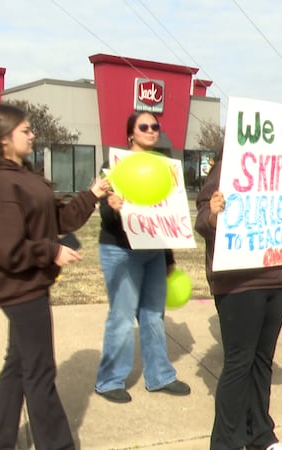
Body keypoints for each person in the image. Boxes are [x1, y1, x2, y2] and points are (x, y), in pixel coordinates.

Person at [0, 103, 109, 449]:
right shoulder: (1, 183)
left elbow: (57, 220)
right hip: (21, 289)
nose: (33, 136)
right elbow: (3, 246)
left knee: (18, 368)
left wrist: (92, 195)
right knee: (40, 373)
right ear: (4, 138)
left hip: (30, 285)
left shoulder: (24, 175)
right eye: (26, 131)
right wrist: (51, 252)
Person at [196, 153, 282, 450]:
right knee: (239, 364)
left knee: (263, 361)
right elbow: (203, 220)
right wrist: (214, 214)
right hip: (239, 283)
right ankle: (225, 443)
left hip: (277, 277)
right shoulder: (227, 169)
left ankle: (260, 435)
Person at [94, 111, 190, 404]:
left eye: (155, 126)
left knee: (153, 315)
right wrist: (112, 206)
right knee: (122, 317)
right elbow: (106, 213)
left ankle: (159, 376)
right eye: (144, 126)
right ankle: (109, 381)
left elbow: (167, 215)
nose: (151, 130)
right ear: (130, 134)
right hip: (120, 249)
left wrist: (168, 256)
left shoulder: (165, 167)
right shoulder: (113, 165)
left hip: (153, 250)